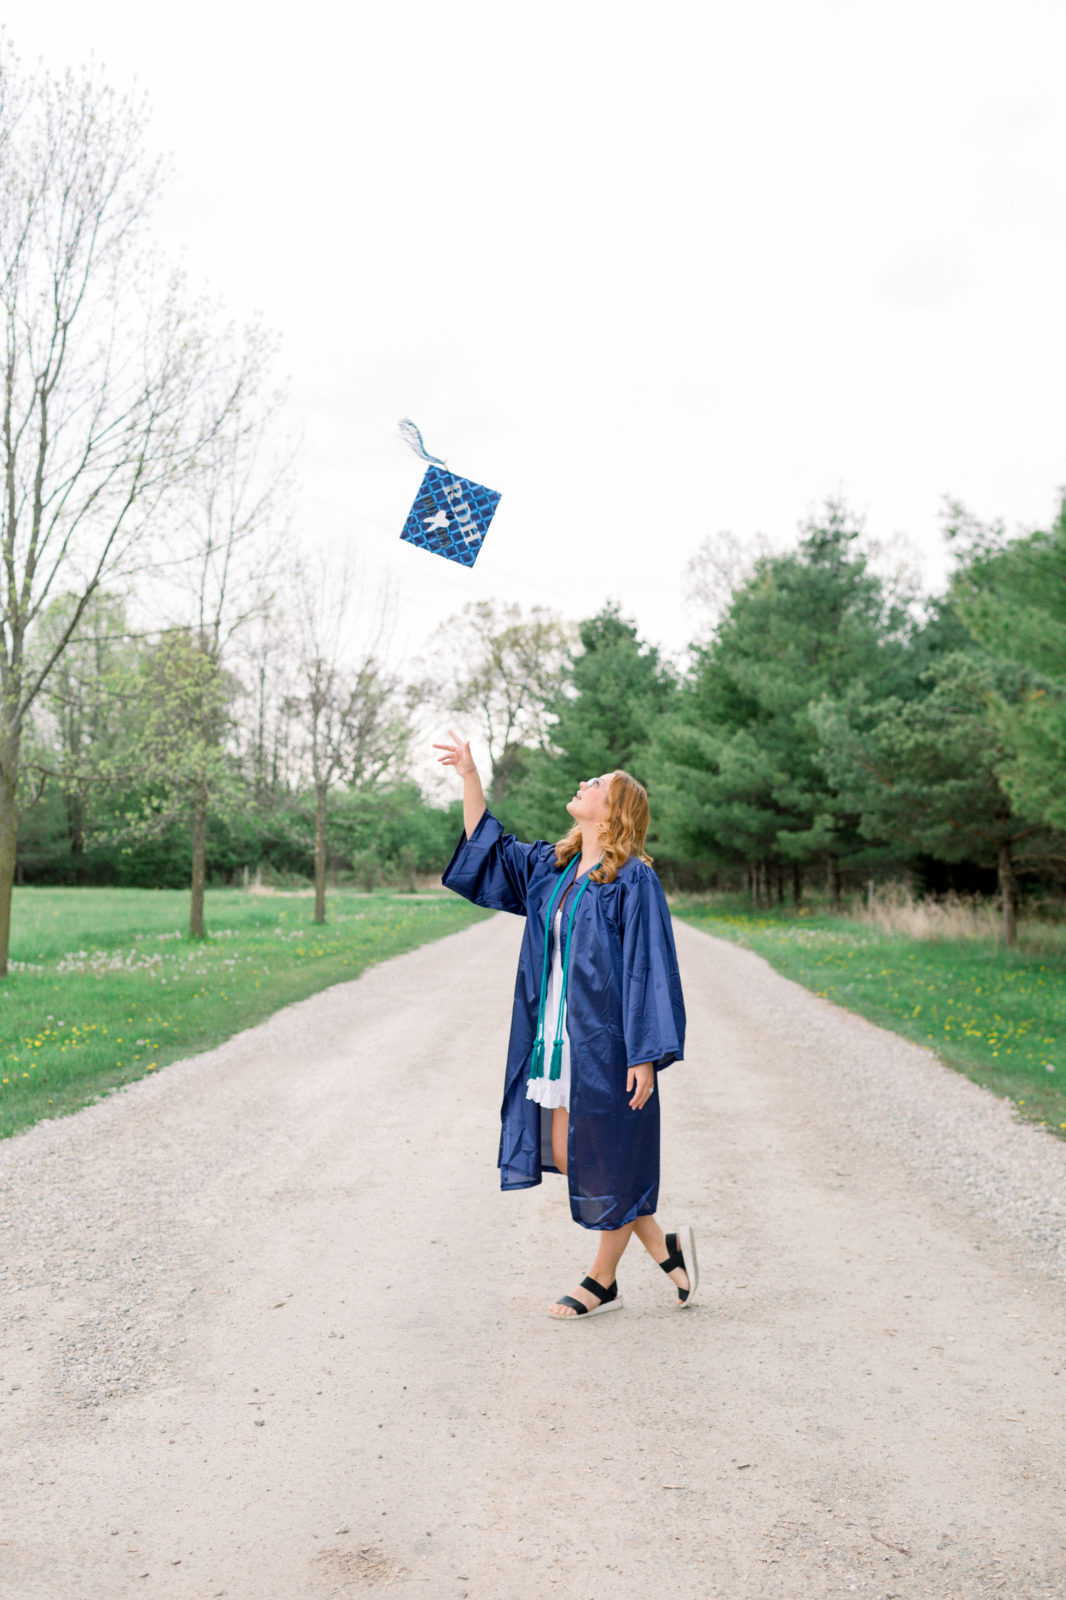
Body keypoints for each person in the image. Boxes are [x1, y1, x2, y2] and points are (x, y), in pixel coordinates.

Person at [435, 730, 695, 1320]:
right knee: (571, 1150)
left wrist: (645, 1053)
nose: (584, 784)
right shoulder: (555, 868)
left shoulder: (633, 881)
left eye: (597, 784)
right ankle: (663, 1246)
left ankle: (601, 1280)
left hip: (606, 1044)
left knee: (603, 1158)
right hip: (553, 1038)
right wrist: (471, 778)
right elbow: (490, 848)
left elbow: (650, 968)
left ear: (616, 811)